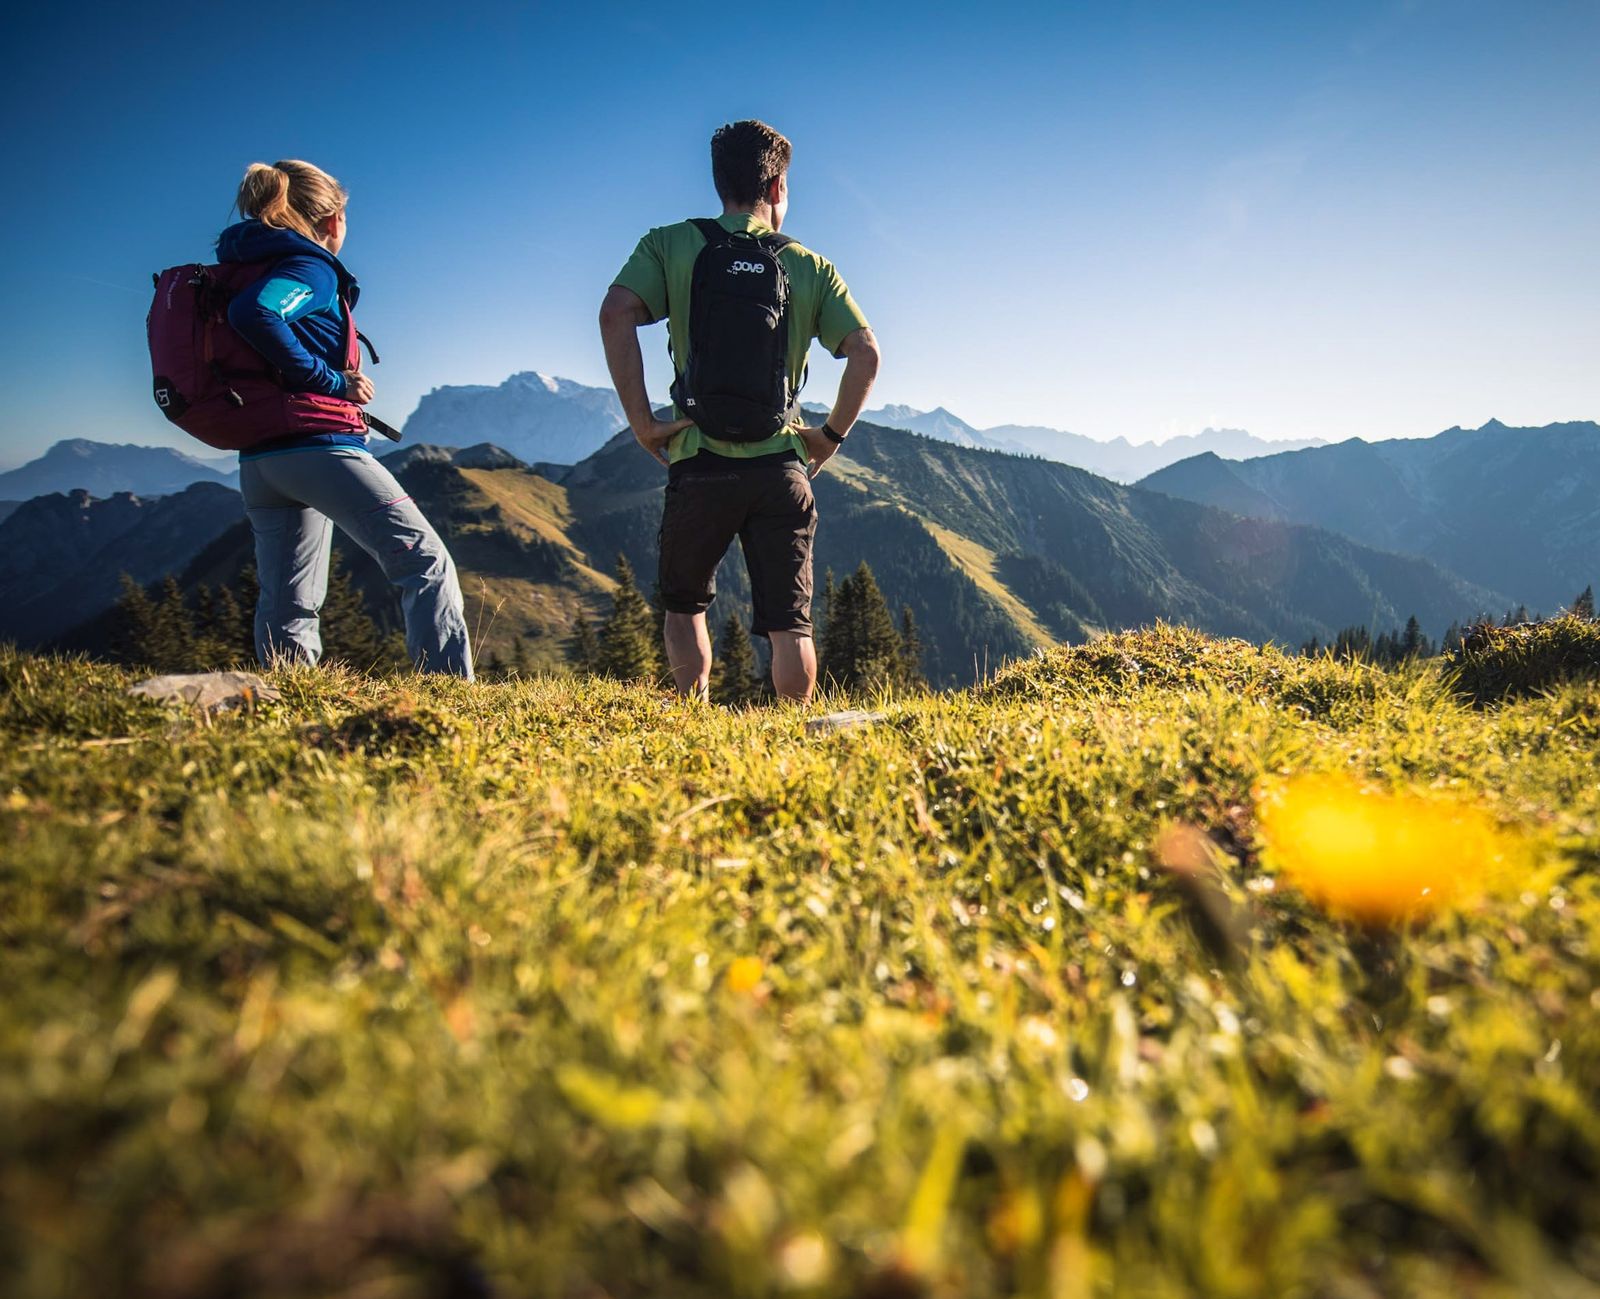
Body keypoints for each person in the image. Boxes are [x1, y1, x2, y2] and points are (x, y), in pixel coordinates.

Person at [599, 120, 880, 703]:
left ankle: (690, 726)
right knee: (790, 625)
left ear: (718, 181)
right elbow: (866, 353)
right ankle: (796, 747)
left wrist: (643, 423)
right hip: (780, 467)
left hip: (699, 460)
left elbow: (615, 313)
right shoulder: (808, 265)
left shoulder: (670, 243)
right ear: (777, 187)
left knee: (684, 607)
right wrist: (828, 436)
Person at [217, 160, 473, 677]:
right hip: (318, 446)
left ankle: (287, 698)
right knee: (425, 564)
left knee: (289, 597)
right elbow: (254, 314)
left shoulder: (248, 261)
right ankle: (449, 697)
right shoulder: (307, 266)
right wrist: (332, 382)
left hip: (262, 456)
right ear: (333, 218)